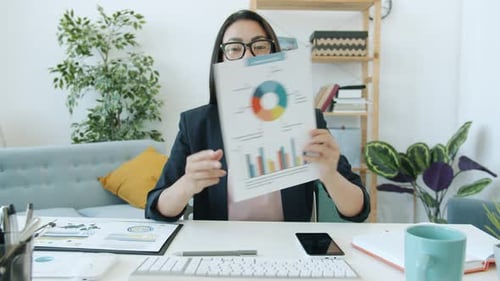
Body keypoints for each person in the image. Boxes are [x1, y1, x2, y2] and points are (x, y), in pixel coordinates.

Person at [145, 9, 370, 222]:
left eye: (259, 46)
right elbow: (156, 209)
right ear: (221, 58)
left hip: (288, 247)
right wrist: (187, 184)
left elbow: (357, 211)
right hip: (219, 249)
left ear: (273, 52)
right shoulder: (195, 125)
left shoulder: (306, 120)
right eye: (234, 48)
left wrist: (329, 174)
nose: (248, 56)